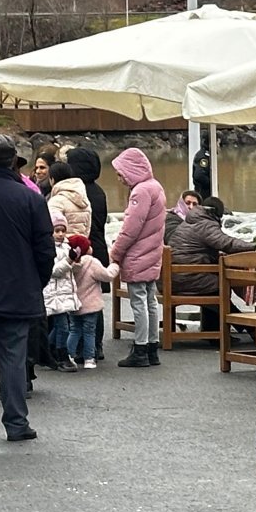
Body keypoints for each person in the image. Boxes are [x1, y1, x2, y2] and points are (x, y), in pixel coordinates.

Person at [0, 134, 54, 443]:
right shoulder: (30, 198)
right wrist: (35, 282)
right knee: (13, 358)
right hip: (17, 290)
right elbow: (45, 250)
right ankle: (16, 422)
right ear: (13, 161)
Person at [111, 148, 167, 368]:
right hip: (153, 252)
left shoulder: (140, 192)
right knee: (151, 301)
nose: (119, 177)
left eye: (121, 172)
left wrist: (116, 252)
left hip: (137, 254)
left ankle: (140, 348)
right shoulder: (156, 187)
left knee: (138, 302)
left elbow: (130, 228)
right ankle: (153, 347)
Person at [168, 196, 256, 332]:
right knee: (221, 285)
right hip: (185, 278)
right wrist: (254, 247)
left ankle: (239, 326)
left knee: (215, 281)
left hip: (174, 277)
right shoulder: (206, 224)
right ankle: (224, 330)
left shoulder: (192, 221)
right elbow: (226, 243)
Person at [66, 146, 111, 363]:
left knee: (78, 296)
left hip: (83, 249)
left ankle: (79, 345)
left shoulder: (78, 192)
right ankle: (96, 344)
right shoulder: (99, 191)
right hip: (99, 247)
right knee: (95, 299)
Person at [65, 235, 118, 370]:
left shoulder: (69, 263)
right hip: (91, 306)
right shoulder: (92, 262)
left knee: (74, 330)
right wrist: (115, 265)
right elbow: (107, 275)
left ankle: (69, 356)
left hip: (75, 304)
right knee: (89, 332)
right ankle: (89, 358)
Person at [43, 212, 81, 372]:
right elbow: (55, 271)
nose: (60, 234)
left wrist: (76, 261)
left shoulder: (66, 246)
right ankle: (61, 354)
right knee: (63, 326)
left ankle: (48, 350)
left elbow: (70, 271)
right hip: (55, 293)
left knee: (60, 326)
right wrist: (69, 260)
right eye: (56, 230)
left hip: (65, 292)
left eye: (62, 230)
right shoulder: (49, 248)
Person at [46, 162, 92, 240]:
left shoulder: (56, 201)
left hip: (63, 247)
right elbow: (88, 227)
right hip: (81, 246)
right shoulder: (84, 198)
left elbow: (49, 227)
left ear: (52, 179)